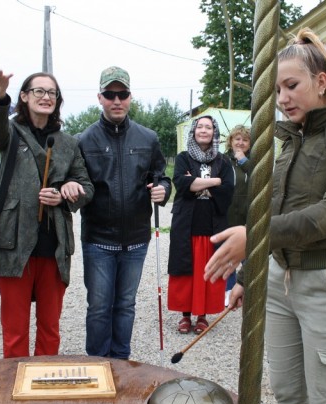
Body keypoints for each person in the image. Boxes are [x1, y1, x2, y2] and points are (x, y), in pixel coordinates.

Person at [204, 27, 326, 404]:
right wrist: (249, 277)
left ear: (320, 82)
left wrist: (254, 237)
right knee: (288, 397)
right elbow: (277, 209)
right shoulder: (289, 139)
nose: (282, 98)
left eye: (291, 85)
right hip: (278, 278)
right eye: (277, 89)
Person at [0, 57, 94, 358]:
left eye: (52, 93)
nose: (46, 97)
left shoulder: (68, 142)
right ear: (25, 96)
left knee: (50, 329)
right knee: (15, 331)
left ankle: (44, 390)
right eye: (39, 91)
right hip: (13, 243)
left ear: (57, 101)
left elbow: (86, 186)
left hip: (54, 247)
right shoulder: (11, 133)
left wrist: (69, 193)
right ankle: (14, 396)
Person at [78, 66, 171, 360]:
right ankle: (97, 362)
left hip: (136, 239)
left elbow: (161, 176)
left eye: (122, 94)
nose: (116, 100)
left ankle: (119, 362)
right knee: (99, 306)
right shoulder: (84, 140)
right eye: (110, 94)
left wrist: (163, 190)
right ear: (100, 97)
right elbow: (77, 181)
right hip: (98, 240)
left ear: (130, 97)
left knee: (126, 304)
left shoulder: (148, 138)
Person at [167, 116, 234, 334]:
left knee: (207, 269)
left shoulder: (223, 161)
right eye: (199, 126)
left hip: (212, 224)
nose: (203, 130)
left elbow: (227, 190)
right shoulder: (183, 158)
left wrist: (197, 182)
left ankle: (203, 315)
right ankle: (186, 316)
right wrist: (215, 181)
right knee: (186, 270)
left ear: (214, 132)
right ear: (193, 131)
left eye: (208, 127)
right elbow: (183, 184)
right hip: (187, 222)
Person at [223, 124, 251, 306]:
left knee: (249, 255)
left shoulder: (255, 160)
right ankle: (229, 292)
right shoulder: (223, 160)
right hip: (228, 213)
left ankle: (249, 291)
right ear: (231, 141)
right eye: (237, 139)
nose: (240, 143)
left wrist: (244, 161)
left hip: (248, 213)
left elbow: (261, 176)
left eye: (245, 139)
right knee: (230, 255)